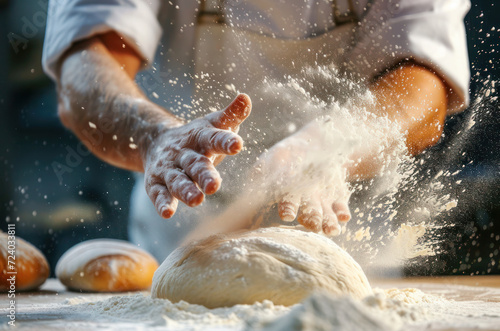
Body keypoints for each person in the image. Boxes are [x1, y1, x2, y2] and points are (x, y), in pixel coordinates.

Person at [42, 0, 470, 260]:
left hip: (348, 245)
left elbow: (423, 89)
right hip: (182, 234)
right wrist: (156, 137)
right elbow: (85, 69)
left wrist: (332, 145)